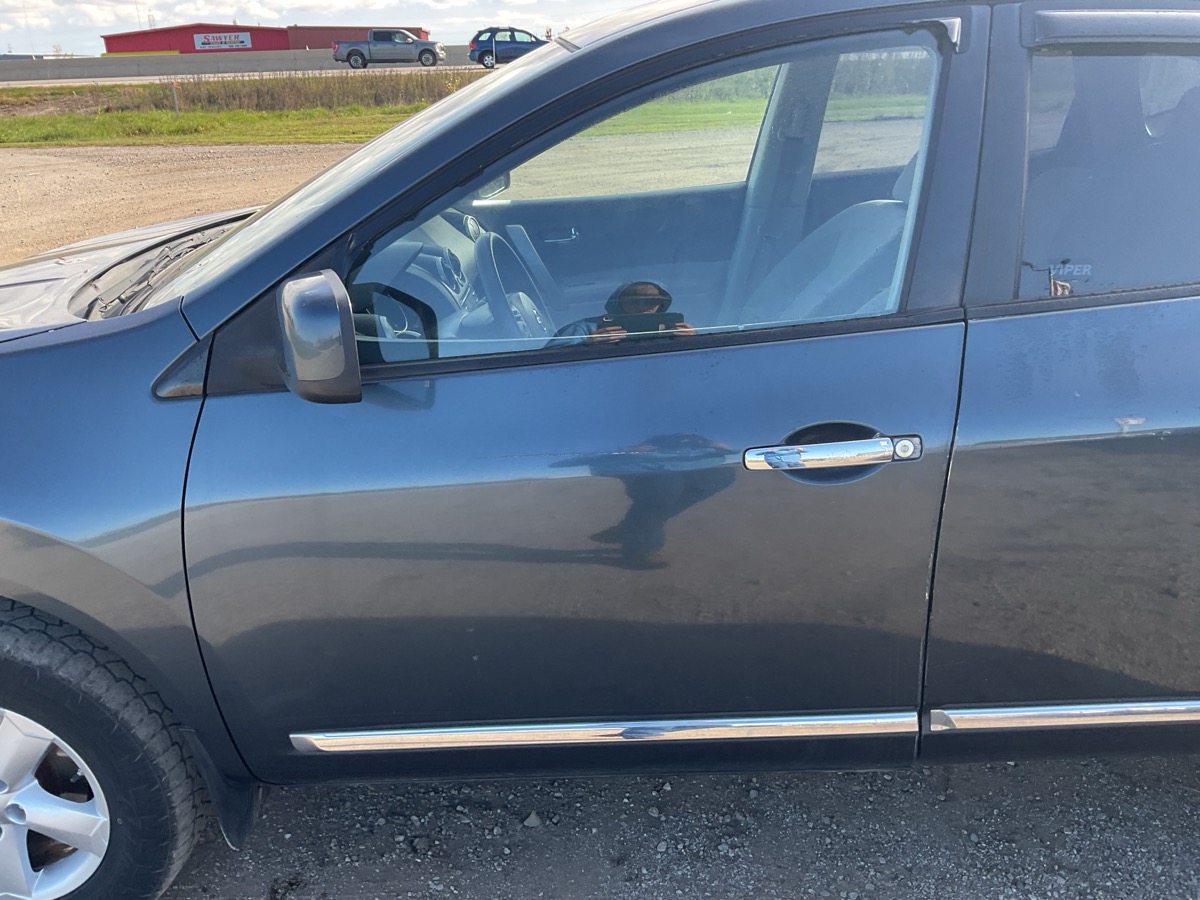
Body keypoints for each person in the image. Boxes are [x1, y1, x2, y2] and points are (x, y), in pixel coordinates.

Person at [548, 280, 696, 346]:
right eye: (634, 301)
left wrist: (692, 341)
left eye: (651, 301)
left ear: (661, 304)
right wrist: (586, 345)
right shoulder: (584, 328)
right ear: (618, 303)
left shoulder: (673, 330)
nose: (643, 306)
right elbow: (546, 363)